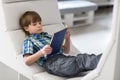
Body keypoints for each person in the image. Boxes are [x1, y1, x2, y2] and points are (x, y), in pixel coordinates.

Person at [19, 11, 102, 77]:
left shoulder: (46, 36)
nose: (39, 26)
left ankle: (105, 59)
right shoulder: (29, 41)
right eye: (34, 24)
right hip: (52, 64)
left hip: (63, 59)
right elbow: (27, 61)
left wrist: (67, 39)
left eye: (40, 23)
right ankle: (104, 61)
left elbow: (66, 50)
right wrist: (41, 52)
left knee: (82, 58)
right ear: (26, 28)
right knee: (80, 62)